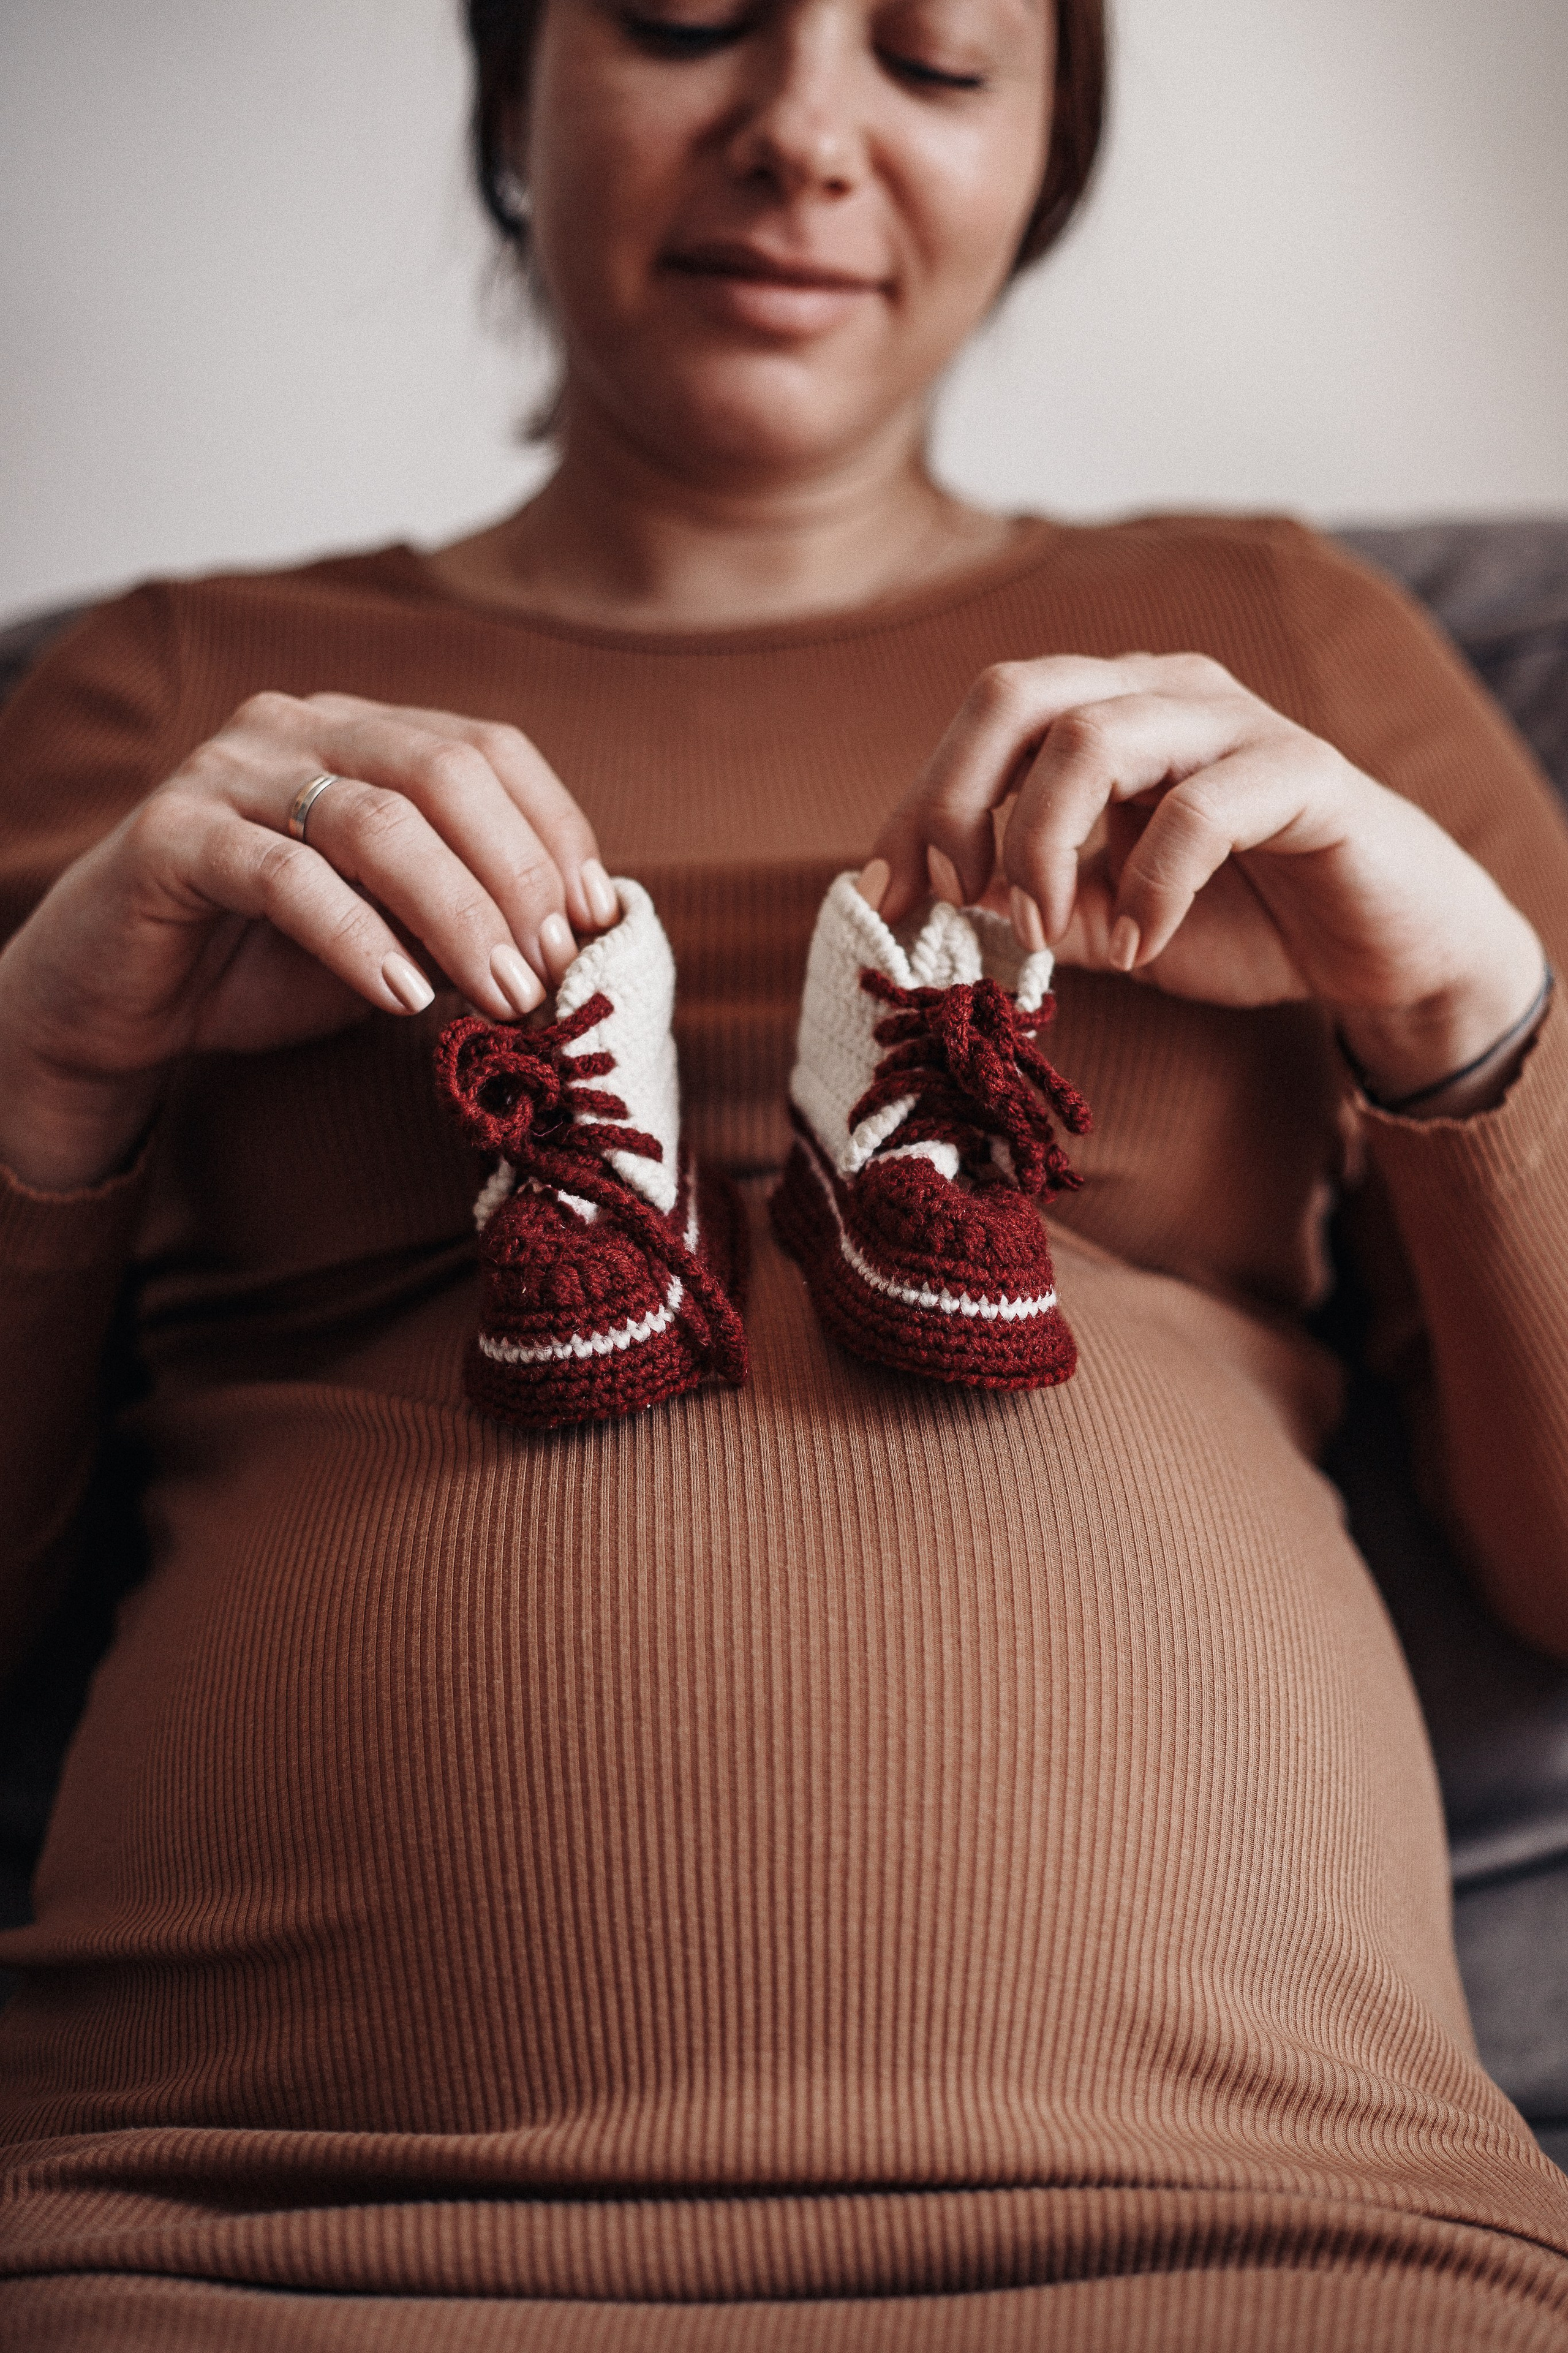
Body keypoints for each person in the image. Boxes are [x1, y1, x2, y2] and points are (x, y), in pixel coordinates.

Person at [2, 0, 1568, 2341]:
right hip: (247, 2227)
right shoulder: (179, 697)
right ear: (513, 83)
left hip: (1268, 2227)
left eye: (935, 63)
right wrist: (45, 1083)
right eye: (683, 22)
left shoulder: (1292, 646)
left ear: (1048, 157)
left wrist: (1472, 1024)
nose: (804, 136)